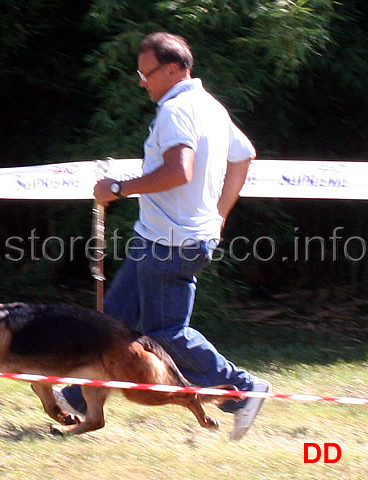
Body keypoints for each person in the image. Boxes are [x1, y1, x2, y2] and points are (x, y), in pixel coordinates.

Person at [56, 32, 270, 441]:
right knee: (111, 324)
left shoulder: (177, 110)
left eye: (146, 73)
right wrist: (219, 213)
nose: (141, 82)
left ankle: (243, 390)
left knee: (166, 331)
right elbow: (244, 156)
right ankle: (78, 399)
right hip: (162, 236)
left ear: (173, 69)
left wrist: (118, 189)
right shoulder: (210, 106)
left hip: (171, 243)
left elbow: (179, 171)